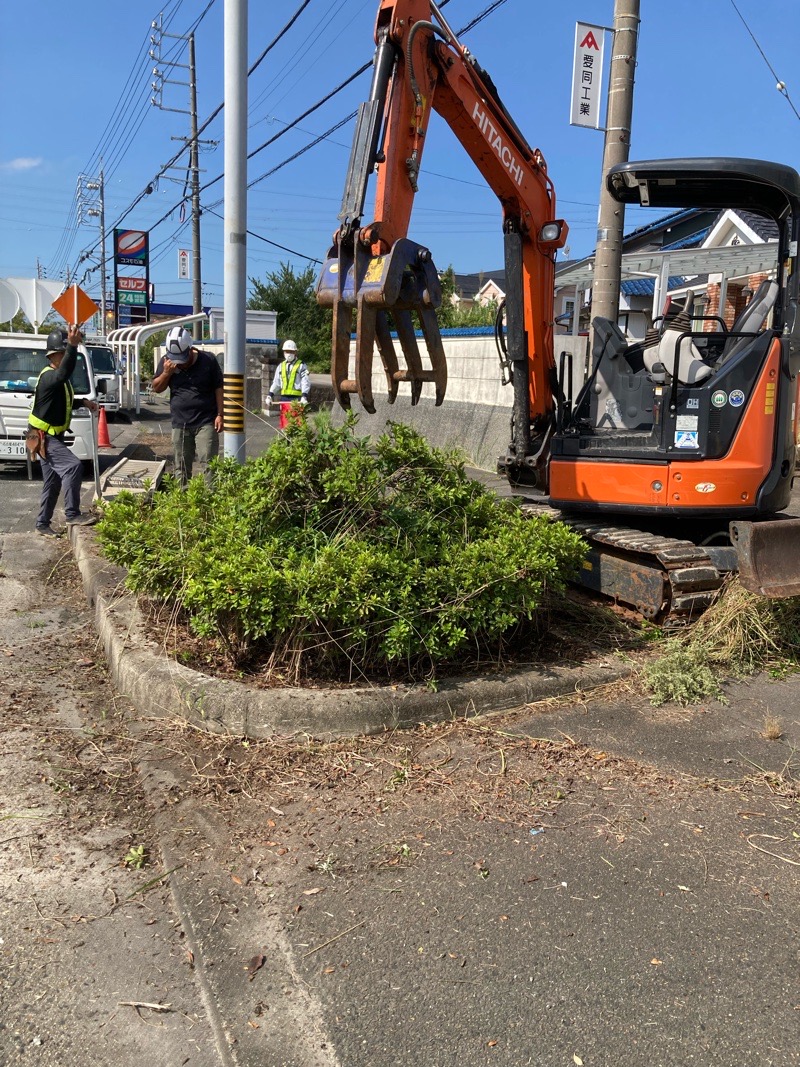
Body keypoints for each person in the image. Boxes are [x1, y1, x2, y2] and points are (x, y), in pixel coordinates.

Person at [29, 324, 99, 537]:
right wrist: (73, 346)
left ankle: (42, 524)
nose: (70, 361)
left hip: (43, 435)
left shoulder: (58, 380)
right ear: (55, 355)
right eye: (65, 354)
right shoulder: (50, 377)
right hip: (42, 436)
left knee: (52, 481)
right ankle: (72, 513)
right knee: (72, 467)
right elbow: (63, 374)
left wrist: (83, 403)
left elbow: (64, 401)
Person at [151, 326, 224, 485]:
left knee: (210, 465)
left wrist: (220, 414)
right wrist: (166, 373)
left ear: (190, 349)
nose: (180, 364)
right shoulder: (167, 362)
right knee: (181, 467)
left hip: (206, 421)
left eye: (182, 359)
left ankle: (211, 502)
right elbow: (156, 388)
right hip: (180, 423)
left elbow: (218, 386)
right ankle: (182, 503)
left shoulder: (208, 360)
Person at [267, 339, 310, 411]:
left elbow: (305, 381)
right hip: (284, 398)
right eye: (287, 351)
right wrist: (270, 395)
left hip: (297, 399)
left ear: (295, 352)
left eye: (291, 351)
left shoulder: (301, 365)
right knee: (284, 420)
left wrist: (304, 396)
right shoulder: (281, 366)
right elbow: (276, 383)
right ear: (284, 352)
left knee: (296, 421)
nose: (289, 354)